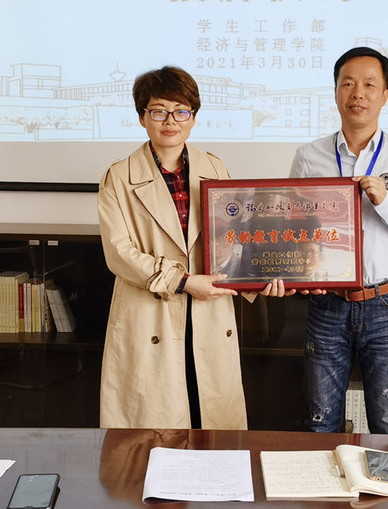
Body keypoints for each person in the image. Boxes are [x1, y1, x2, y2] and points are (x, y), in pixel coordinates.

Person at [98, 65, 284, 429]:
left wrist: (260, 278)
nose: (171, 121)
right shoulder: (118, 177)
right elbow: (119, 253)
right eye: (159, 111)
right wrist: (182, 281)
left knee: (209, 417)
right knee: (154, 429)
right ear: (142, 117)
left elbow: (235, 238)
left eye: (181, 111)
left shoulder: (214, 167)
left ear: (194, 117)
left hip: (208, 311)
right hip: (150, 313)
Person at [289, 46, 388, 434]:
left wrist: (386, 202)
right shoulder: (308, 157)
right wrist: (300, 270)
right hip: (327, 305)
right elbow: (295, 232)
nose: (357, 93)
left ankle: (384, 479)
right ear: (336, 92)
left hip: (386, 304)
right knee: (320, 422)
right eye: (348, 83)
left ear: (385, 95)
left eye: (369, 84)